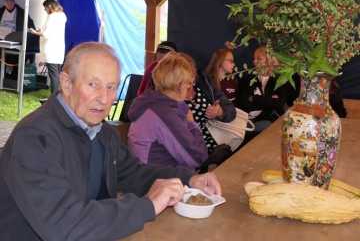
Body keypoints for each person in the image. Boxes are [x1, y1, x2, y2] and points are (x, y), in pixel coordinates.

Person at [0, 42, 221, 241]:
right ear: (66, 83)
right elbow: (63, 225)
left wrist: (189, 179)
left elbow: (132, 173)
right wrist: (148, 206)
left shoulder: (102, 132)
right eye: (93, 85)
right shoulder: (34, 138)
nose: (104, 99)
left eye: (111, 87)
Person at [128, 52, 208, 171]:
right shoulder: (163, 114)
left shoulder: (152, 102)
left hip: (149, 175)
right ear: (179, 85)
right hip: (154, 182)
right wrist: (191, 123)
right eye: (189, 83)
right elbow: (197, 158)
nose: (190, 87)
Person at [188, 50, 236, 154]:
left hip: (212, 138)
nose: (234, 64)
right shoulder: (171, 99)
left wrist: (220, 112)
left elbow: (230, 109)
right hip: (192, 145)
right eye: (230, 61)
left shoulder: (205, 83)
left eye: (193, 71)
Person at [236, 46, 291, 132]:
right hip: (247, 121)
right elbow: (243, 103)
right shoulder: (247, 79)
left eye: (259, 59)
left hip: (273, 120)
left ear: (269, 61)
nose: (254, 62)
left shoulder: (280, 79)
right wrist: (269, 99)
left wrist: (255, 98)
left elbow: (279, 103)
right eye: (254, 59)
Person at [30, 0, 67, 93]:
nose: (44, 10)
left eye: (45, 7)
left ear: (49, 7)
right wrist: (41, 31)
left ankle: (54, 97)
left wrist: (35, 32)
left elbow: (46, 34)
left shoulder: (52, 17)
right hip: (59, 48)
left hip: (51, 48)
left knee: (53, 75)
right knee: (57, 74)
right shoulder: (62, 15)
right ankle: (59, 95)